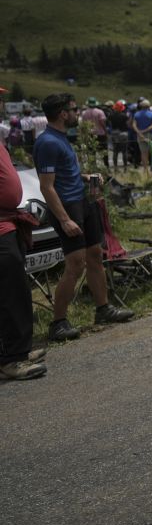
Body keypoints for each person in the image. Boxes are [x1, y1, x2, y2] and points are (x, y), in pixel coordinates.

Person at [35, 94, 134, 342]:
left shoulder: (61, 138)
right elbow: (47, 187)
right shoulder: (47, 142)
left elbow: (66, 174)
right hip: (68, 207)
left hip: (83, 202)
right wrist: (65, 219)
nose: (77, 112)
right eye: (73, 109)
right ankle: (58, 322)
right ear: (62, 113)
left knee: (95, 256)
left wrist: (87, 177)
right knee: (75, 265)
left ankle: (103, 308)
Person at [0, 139, 45, 379]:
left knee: (17, 289)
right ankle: (11, 359)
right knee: (10, 293)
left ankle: (18, 351)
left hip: (9, 222)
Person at [80, 98, 108, 169]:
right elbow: (103, 123)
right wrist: (106, 131)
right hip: (100, 134)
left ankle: (93, 167)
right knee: (104, 151)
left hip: (90, 134)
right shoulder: (100, 112)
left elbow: (83, 125)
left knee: (91, 152)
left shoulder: (84, 113)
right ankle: (106, 166)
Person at [131, 99, 152, 173]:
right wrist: (145, 131)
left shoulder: (136, 114)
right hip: (151, 134)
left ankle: (145, 169)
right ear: (148, 106)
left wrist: (139, 132)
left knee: (143, 152)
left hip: (140, 135)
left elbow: (134, 125)